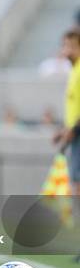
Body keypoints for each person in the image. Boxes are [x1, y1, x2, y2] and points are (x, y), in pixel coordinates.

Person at [53, 28, 80, 195]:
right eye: (65, 45)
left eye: (72, 45)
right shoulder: (74, 70)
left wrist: (73, 129)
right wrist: (64, 130)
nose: (67, 50)